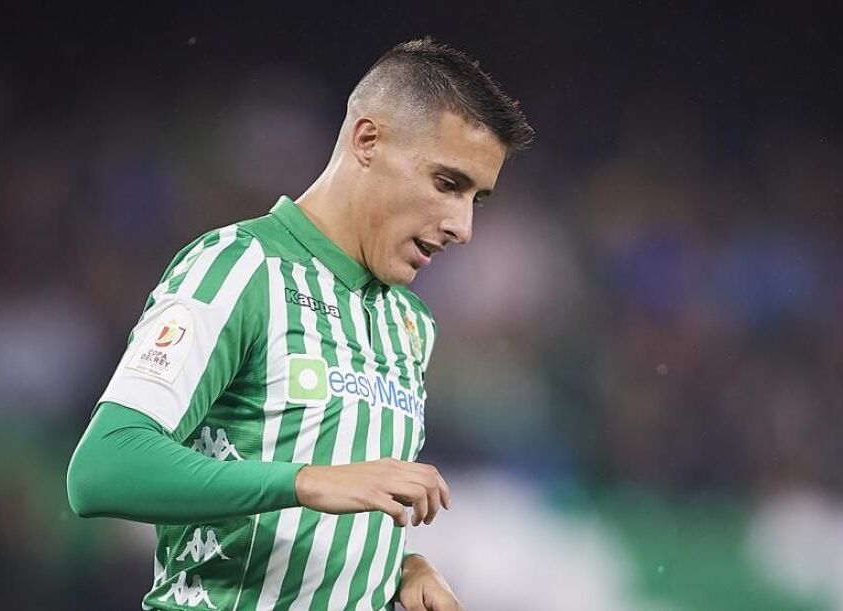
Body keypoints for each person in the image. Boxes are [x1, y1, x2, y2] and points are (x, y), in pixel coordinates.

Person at [66, 37, 533, 611]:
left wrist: (400, 567)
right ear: (367, 141)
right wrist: (308, 481)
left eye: (476, 200)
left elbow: (330, 513)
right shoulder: (239, 269)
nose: (462, 227)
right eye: (447, 184)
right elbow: (103, 468)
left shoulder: (410, 324)